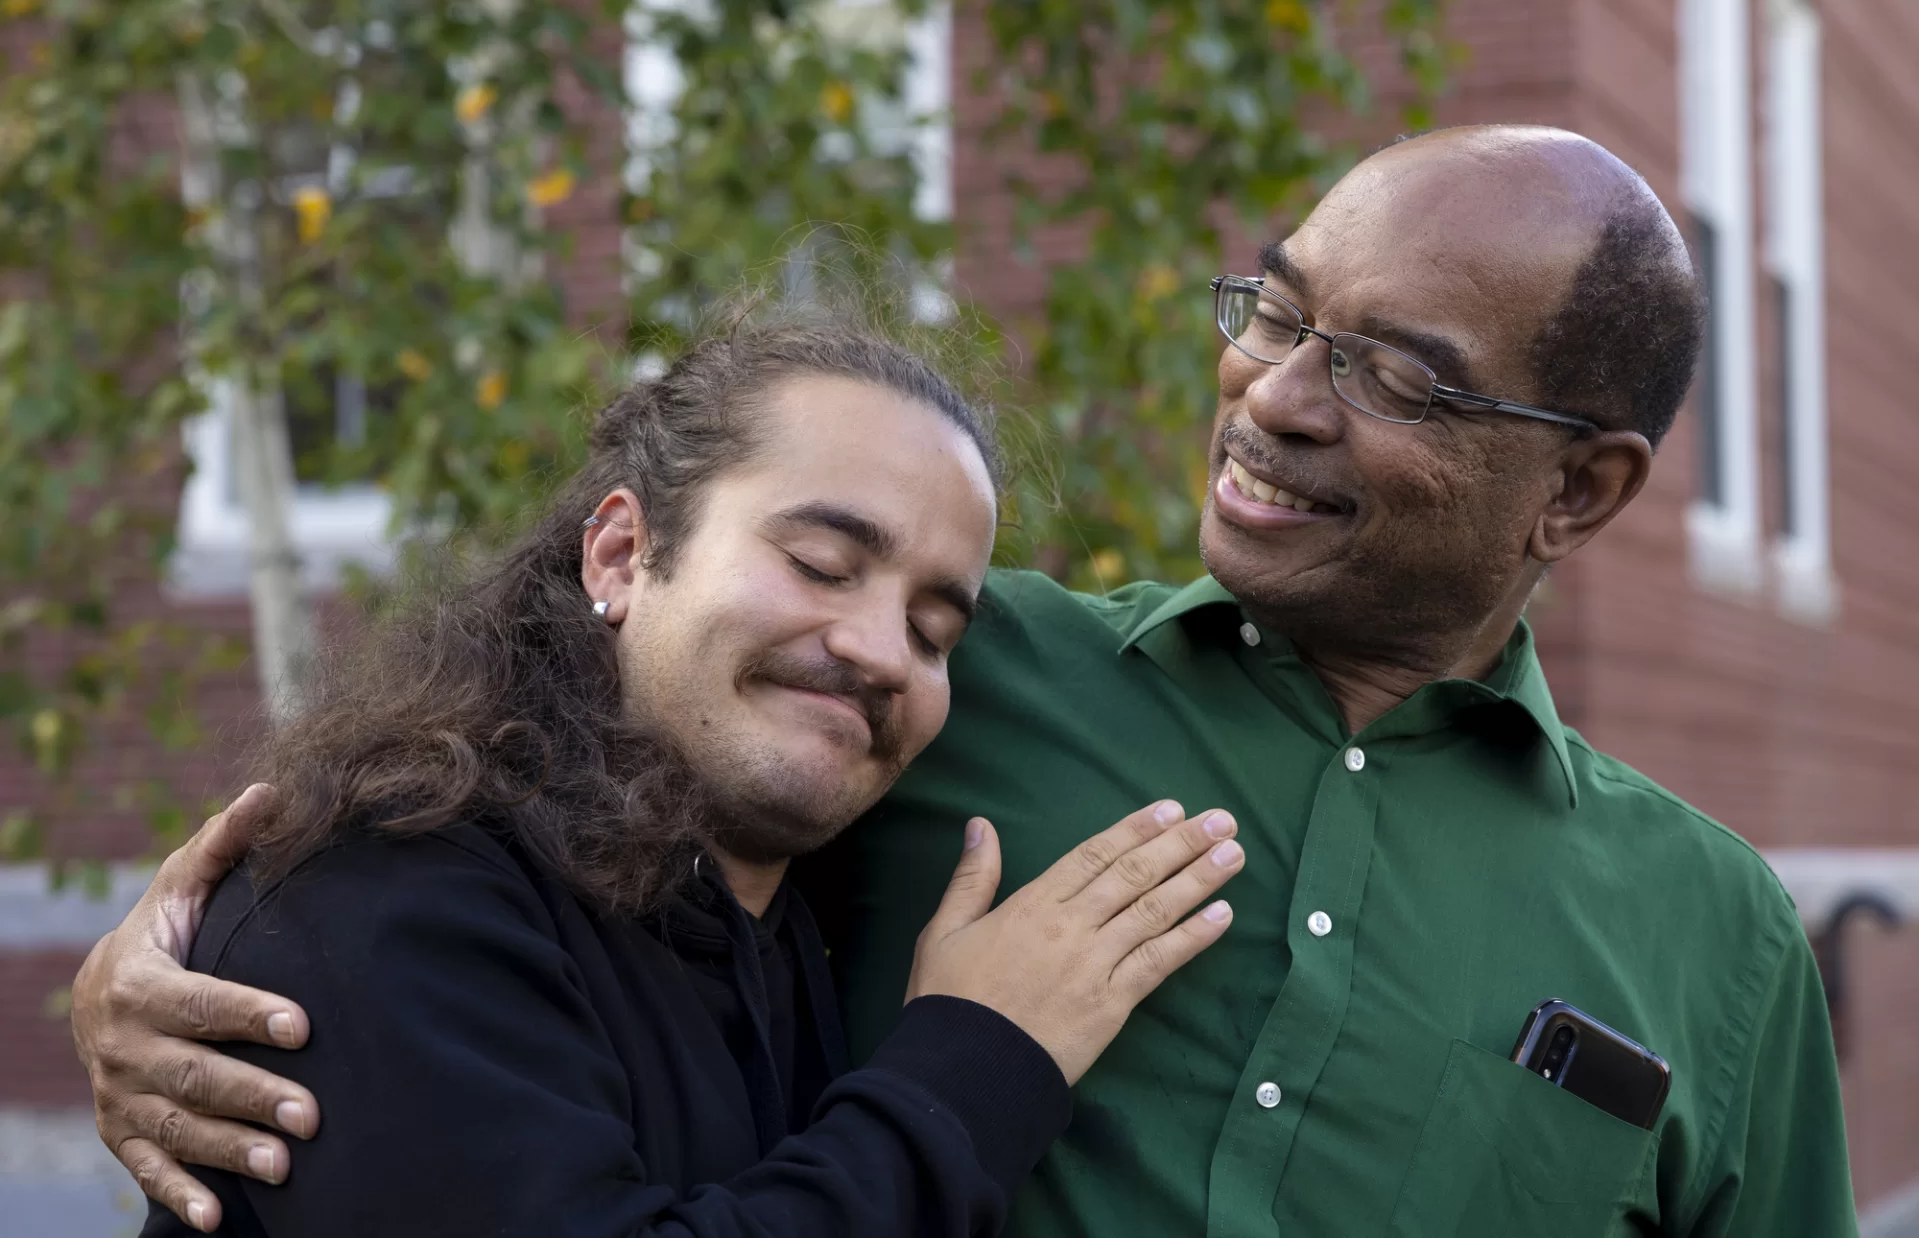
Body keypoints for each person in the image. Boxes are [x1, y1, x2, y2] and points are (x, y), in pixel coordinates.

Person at [75, 126, 1857, 1236]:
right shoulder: (927, 682)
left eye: (1395, 372)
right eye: (1274, 308)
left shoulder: (1711, 936)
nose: (1273, 398)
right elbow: (503, 798)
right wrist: (178, 952)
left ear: (1583, 487)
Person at [90, 303, 1248, 1236]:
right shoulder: (383, 897)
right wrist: (979, 1063)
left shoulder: (791, 911)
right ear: (621, 551)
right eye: (820, 561)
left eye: (936, 631)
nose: (877, 651)